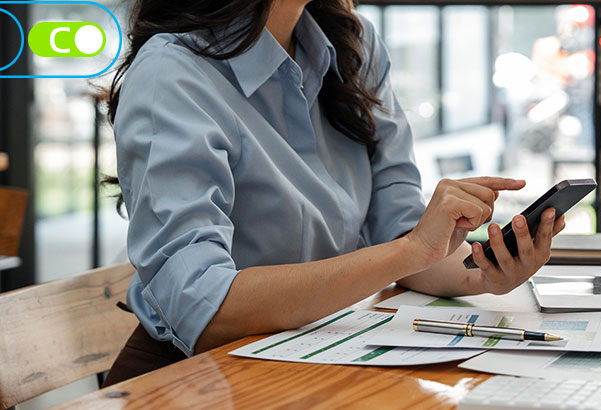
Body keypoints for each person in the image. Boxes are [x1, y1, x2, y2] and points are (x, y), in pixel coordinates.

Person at [102, 0, 565, 386]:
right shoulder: (174, 72)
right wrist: (409, 250)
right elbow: (204, 311)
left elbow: (404, 240)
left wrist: (482, 275)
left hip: (320, 353)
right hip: (195, 379)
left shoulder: (353, 45)